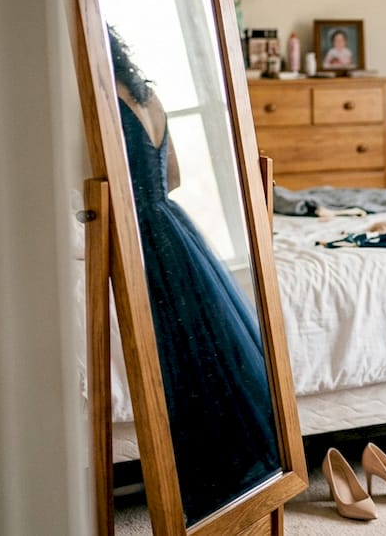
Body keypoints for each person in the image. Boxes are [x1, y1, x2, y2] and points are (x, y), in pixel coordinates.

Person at [109, 26, 282, 524]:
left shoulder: (100, 103)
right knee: (205, 341)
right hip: (170, 221)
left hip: (140, 227)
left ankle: (194, 470)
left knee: (174, 348)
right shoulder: (150, 97)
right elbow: (175, 177)